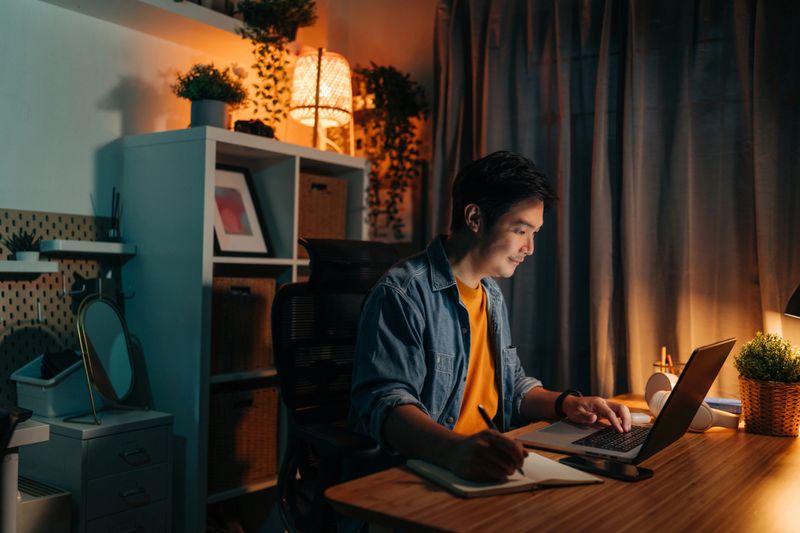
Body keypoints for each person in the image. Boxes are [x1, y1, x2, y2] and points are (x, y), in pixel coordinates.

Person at [350, 151, 631, 481]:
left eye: (535, 233)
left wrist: (568, 403)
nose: (530, 248)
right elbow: (385, 406)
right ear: (474, 218)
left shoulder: (490, 294)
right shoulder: (402, 293)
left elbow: (512, 387)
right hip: (428, 471)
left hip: (490, 464)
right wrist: (455, 451)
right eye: (521, 230)